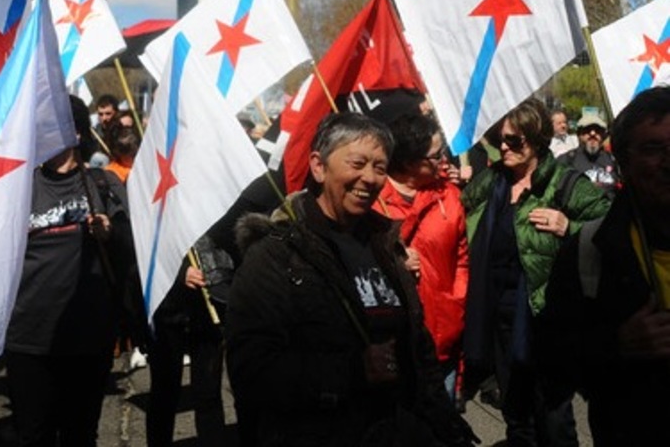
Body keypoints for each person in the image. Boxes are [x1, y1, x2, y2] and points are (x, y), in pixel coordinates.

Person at [226, 112, 477, 447]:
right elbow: (250, 371)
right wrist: (351, 371)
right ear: (318, 166)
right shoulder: (275, 256)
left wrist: (444, 423)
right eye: (357, 163)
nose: (369, 178)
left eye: (379, 167)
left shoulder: (387, 244)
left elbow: (418, 348)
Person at [461, 97, 609, 446]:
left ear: (538, 139)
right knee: (516, 414)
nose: (504, 146)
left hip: (545, 317)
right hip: (499, 314)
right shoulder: (494, 179)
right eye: (501, 138)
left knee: (554, 418)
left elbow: (609, 225)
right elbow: (456, 208)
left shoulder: (564, 181)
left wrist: (568, 225)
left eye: (515, 140)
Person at [540, 85, 670, 445]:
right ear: (624, 162)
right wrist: (617, 344)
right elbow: (552, 360)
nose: (669, 160)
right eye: (652, 149)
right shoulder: (589, 251)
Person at [4, 96, 132, 447]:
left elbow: (132, 248)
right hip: (28, 340)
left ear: (73, 132)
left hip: (88, 338)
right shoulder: (18, 188)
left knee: (79, 436)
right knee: (34, 436)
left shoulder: (103, 184)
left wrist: (111, 233)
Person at [373, 112, 468, 400]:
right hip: (392, 341)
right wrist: (393, 264)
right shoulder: (372, 201)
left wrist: (457, 303)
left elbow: (463, 259)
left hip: (444, 333)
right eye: (435, 156)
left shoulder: (449, 195)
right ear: (408, 162)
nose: (444, 161)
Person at [147, 234, 235, 446]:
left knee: (208, 393)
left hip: (208, 304)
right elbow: (141, 246)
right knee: (165, 391)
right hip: (166, 308)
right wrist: (178, 272)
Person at [559, 111, 618, 199]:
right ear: (579, 135)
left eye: (597, 130)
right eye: (587, 129)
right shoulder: (566, 160)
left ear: (603, 135)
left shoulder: (613, 160)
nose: (592, 133)